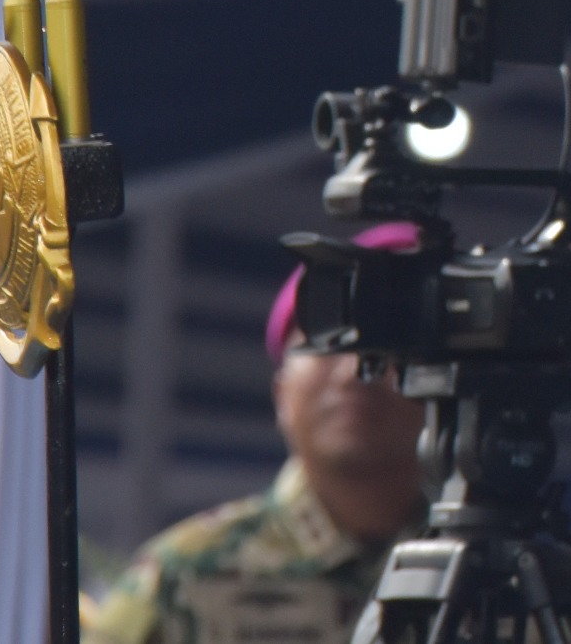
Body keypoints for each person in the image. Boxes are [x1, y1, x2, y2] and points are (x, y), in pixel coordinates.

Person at [84, 224, 429, 644]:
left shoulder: (482, 569)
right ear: (282, 395)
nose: (354, 372)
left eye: (385, 349)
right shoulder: (186, 577)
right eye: (327, 343)